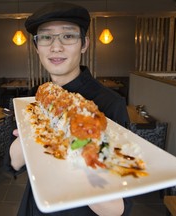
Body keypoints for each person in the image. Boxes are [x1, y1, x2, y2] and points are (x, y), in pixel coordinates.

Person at [9, 2, 132, 216]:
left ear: (84, 44)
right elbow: (14, 163)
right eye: (46, 37)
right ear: (37, 47)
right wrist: (30, 135)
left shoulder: (110, 104)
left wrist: (80, 153)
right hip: (34, 206)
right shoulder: (34, 94)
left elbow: (116, 210)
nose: (56, 47)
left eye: (68, 36)